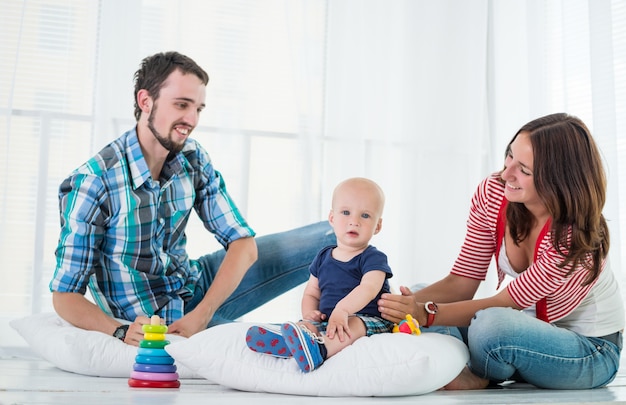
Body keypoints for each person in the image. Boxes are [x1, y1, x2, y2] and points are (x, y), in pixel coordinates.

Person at [49, 51, 335, 346]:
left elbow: (243, 246)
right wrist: (118, 331)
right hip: (160, 321)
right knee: (291, 342)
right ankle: (337, 332)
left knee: (336, 234)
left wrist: (202, 313)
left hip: (198, 285)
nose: (191, 119)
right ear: (145, 101)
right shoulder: (93, 183)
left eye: (198, 108)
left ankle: (366, 308)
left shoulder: (192, 156)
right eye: (182, 105)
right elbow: (65, 296)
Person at [378, 113, 624, 390]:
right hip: (521, 328)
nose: (506, 173)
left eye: (524, 170)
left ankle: (475, 371)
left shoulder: (572, 236)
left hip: (590, 351)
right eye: (509, 156)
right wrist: (384, 308)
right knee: (419, 293)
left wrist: (425, 314)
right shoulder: (494, 194)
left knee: (490, 324)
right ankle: (460, 362)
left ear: (559, 180)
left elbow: (508, 303)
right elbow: (461, 281)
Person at [245, 177, 394, 372]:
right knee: (307, 325)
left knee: (354, 324)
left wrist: (343, 310)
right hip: (329, 319)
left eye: (365, 216)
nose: (354, 221)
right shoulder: (323, 256)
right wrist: (309, 313)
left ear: (378, 226)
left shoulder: (374, 258)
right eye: (346, 212)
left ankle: (319, 351)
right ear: (332, 218)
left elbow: (369, 288)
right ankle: (287, 345)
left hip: (369, 319)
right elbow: (311, 293)